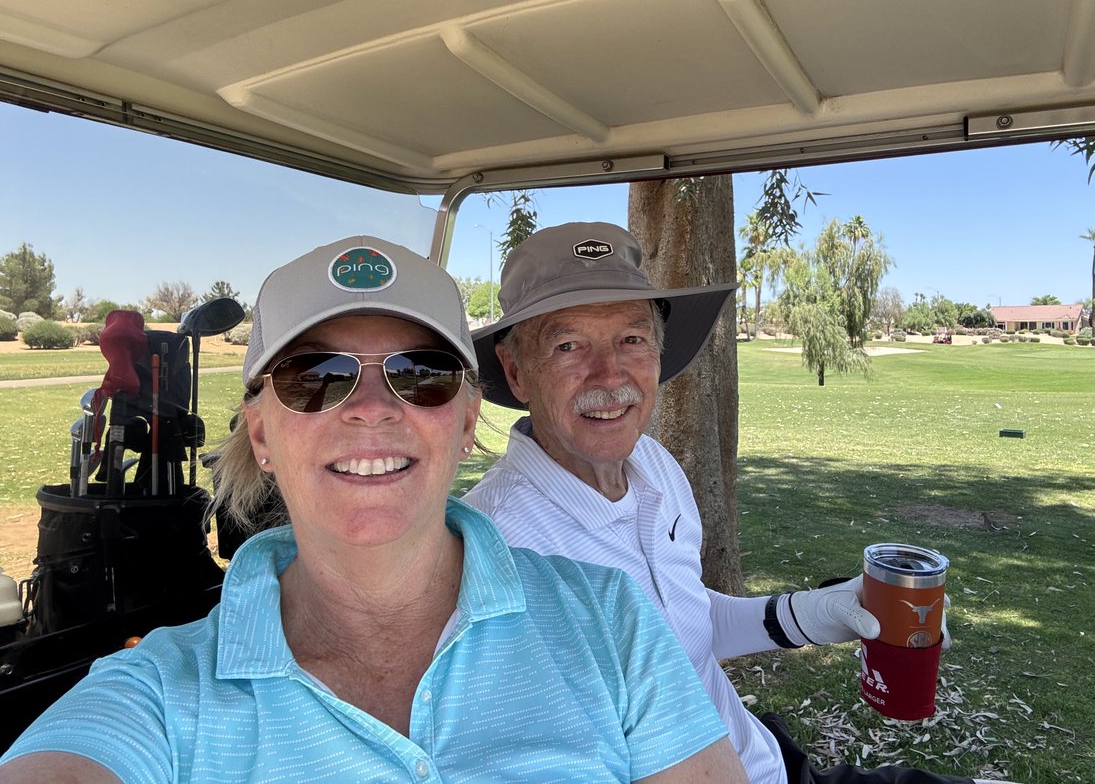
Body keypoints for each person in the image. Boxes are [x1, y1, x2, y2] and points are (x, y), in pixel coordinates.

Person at [0, 235, 746, 783]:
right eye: (315, 374)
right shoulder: (163, 695)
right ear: (260, 432)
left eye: (419, 373)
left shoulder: (608, 620)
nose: (370, 409)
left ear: (462, 422)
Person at [464, 222, 1011, 784]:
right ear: (515, 372)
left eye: (632, 339)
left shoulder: (654, 466)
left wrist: (811, 616)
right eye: (568, 345)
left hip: (768, 759)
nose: (611, 375)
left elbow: (686, 625)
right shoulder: (492, 551)